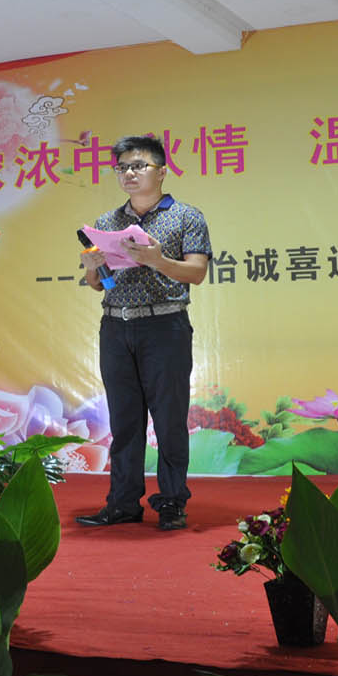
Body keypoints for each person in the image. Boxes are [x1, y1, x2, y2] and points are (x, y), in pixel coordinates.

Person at [76, 135, 210, 532]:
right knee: (124, 421)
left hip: (164, 326)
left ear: (162, 171)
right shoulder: (106, 222)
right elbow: (99, 283)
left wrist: (158, 260)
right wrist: (93, 268)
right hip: (115, 326)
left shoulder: (186, 217)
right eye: (122, 168)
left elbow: (197, 272)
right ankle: (122, 502)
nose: (129, 174)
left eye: (138, 166)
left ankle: (172, 501)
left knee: (169, 420)